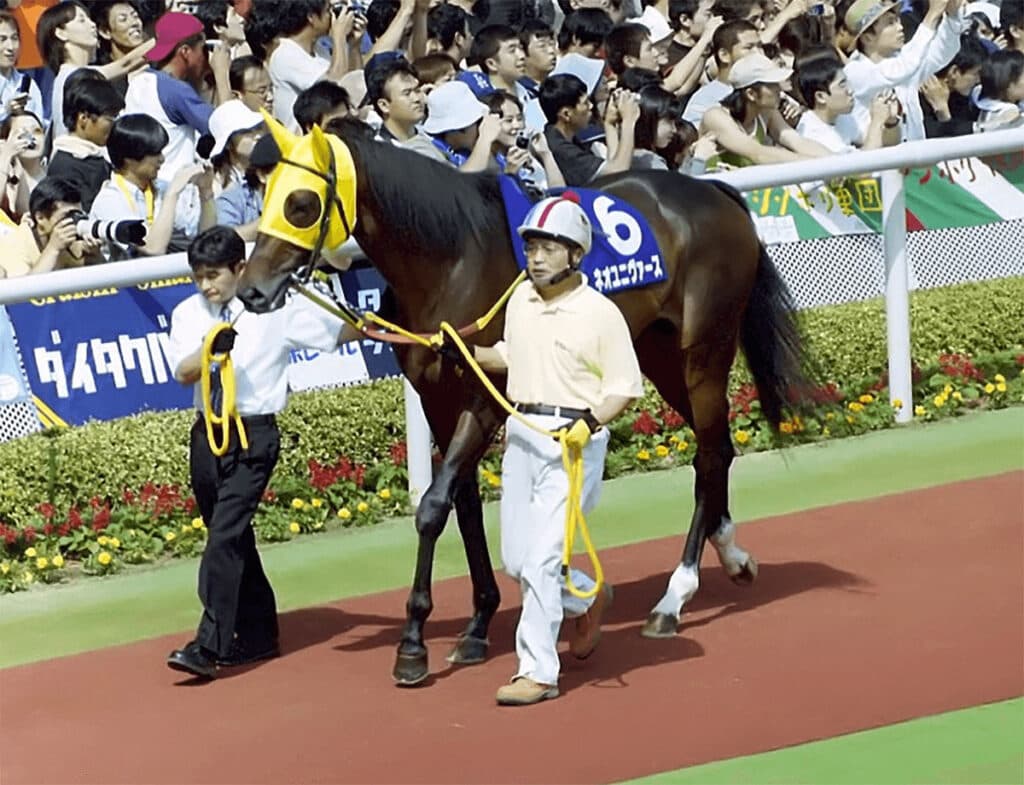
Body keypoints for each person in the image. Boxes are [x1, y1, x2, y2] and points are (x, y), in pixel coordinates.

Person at [467, 193, 643, 706]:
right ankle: (585, 595)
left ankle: (538, 671)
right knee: (518, 561)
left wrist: (590, 424)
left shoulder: (600, 313)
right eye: (532, 247)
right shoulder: (521, 299)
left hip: (573, 444)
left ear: (575, 254)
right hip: (523, 435)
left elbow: (623, 388)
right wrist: (459, 348)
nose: (536, 257)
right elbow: (507, 354)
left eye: (548, 248)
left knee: (542, 560)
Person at [164, 225, 352, 680]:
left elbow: (338, 332)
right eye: (199, 277)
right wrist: (210, 350)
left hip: (255, 434)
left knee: (224, 538)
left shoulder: (278, 307)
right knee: (233, 536)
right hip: (208, 433)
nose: (207, 285)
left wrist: (386, 313)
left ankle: (208, 645)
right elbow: (182, 372)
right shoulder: (190, 312)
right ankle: (260, 631)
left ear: (240, 269)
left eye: (215, 275)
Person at [90, 112, 216, 258]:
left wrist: (205, 192)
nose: (162, 159)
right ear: (130, 159)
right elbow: (153, 248)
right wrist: (172, 194)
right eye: (155, 153)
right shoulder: (110, 200)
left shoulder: (162, 188)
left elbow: (207, 241)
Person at [47, 70, 124, 210]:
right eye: (110, 119)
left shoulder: (99, 156)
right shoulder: (65, 166)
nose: (114, 125)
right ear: (83, 118)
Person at [0, 176, 102, 276]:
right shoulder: (13, 245)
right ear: (40, 218)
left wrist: (94, 255)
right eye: (67, 215)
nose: (73, 221)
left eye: (78, 214)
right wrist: (53, 249)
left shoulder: (73, 244)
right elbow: (23, 290)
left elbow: (106, 284)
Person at [0, 9, 43, 123]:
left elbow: (40, 125)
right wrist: (5, 111)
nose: (10, 47)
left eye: (14, 38)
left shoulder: (27, 84)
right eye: (2, 39)